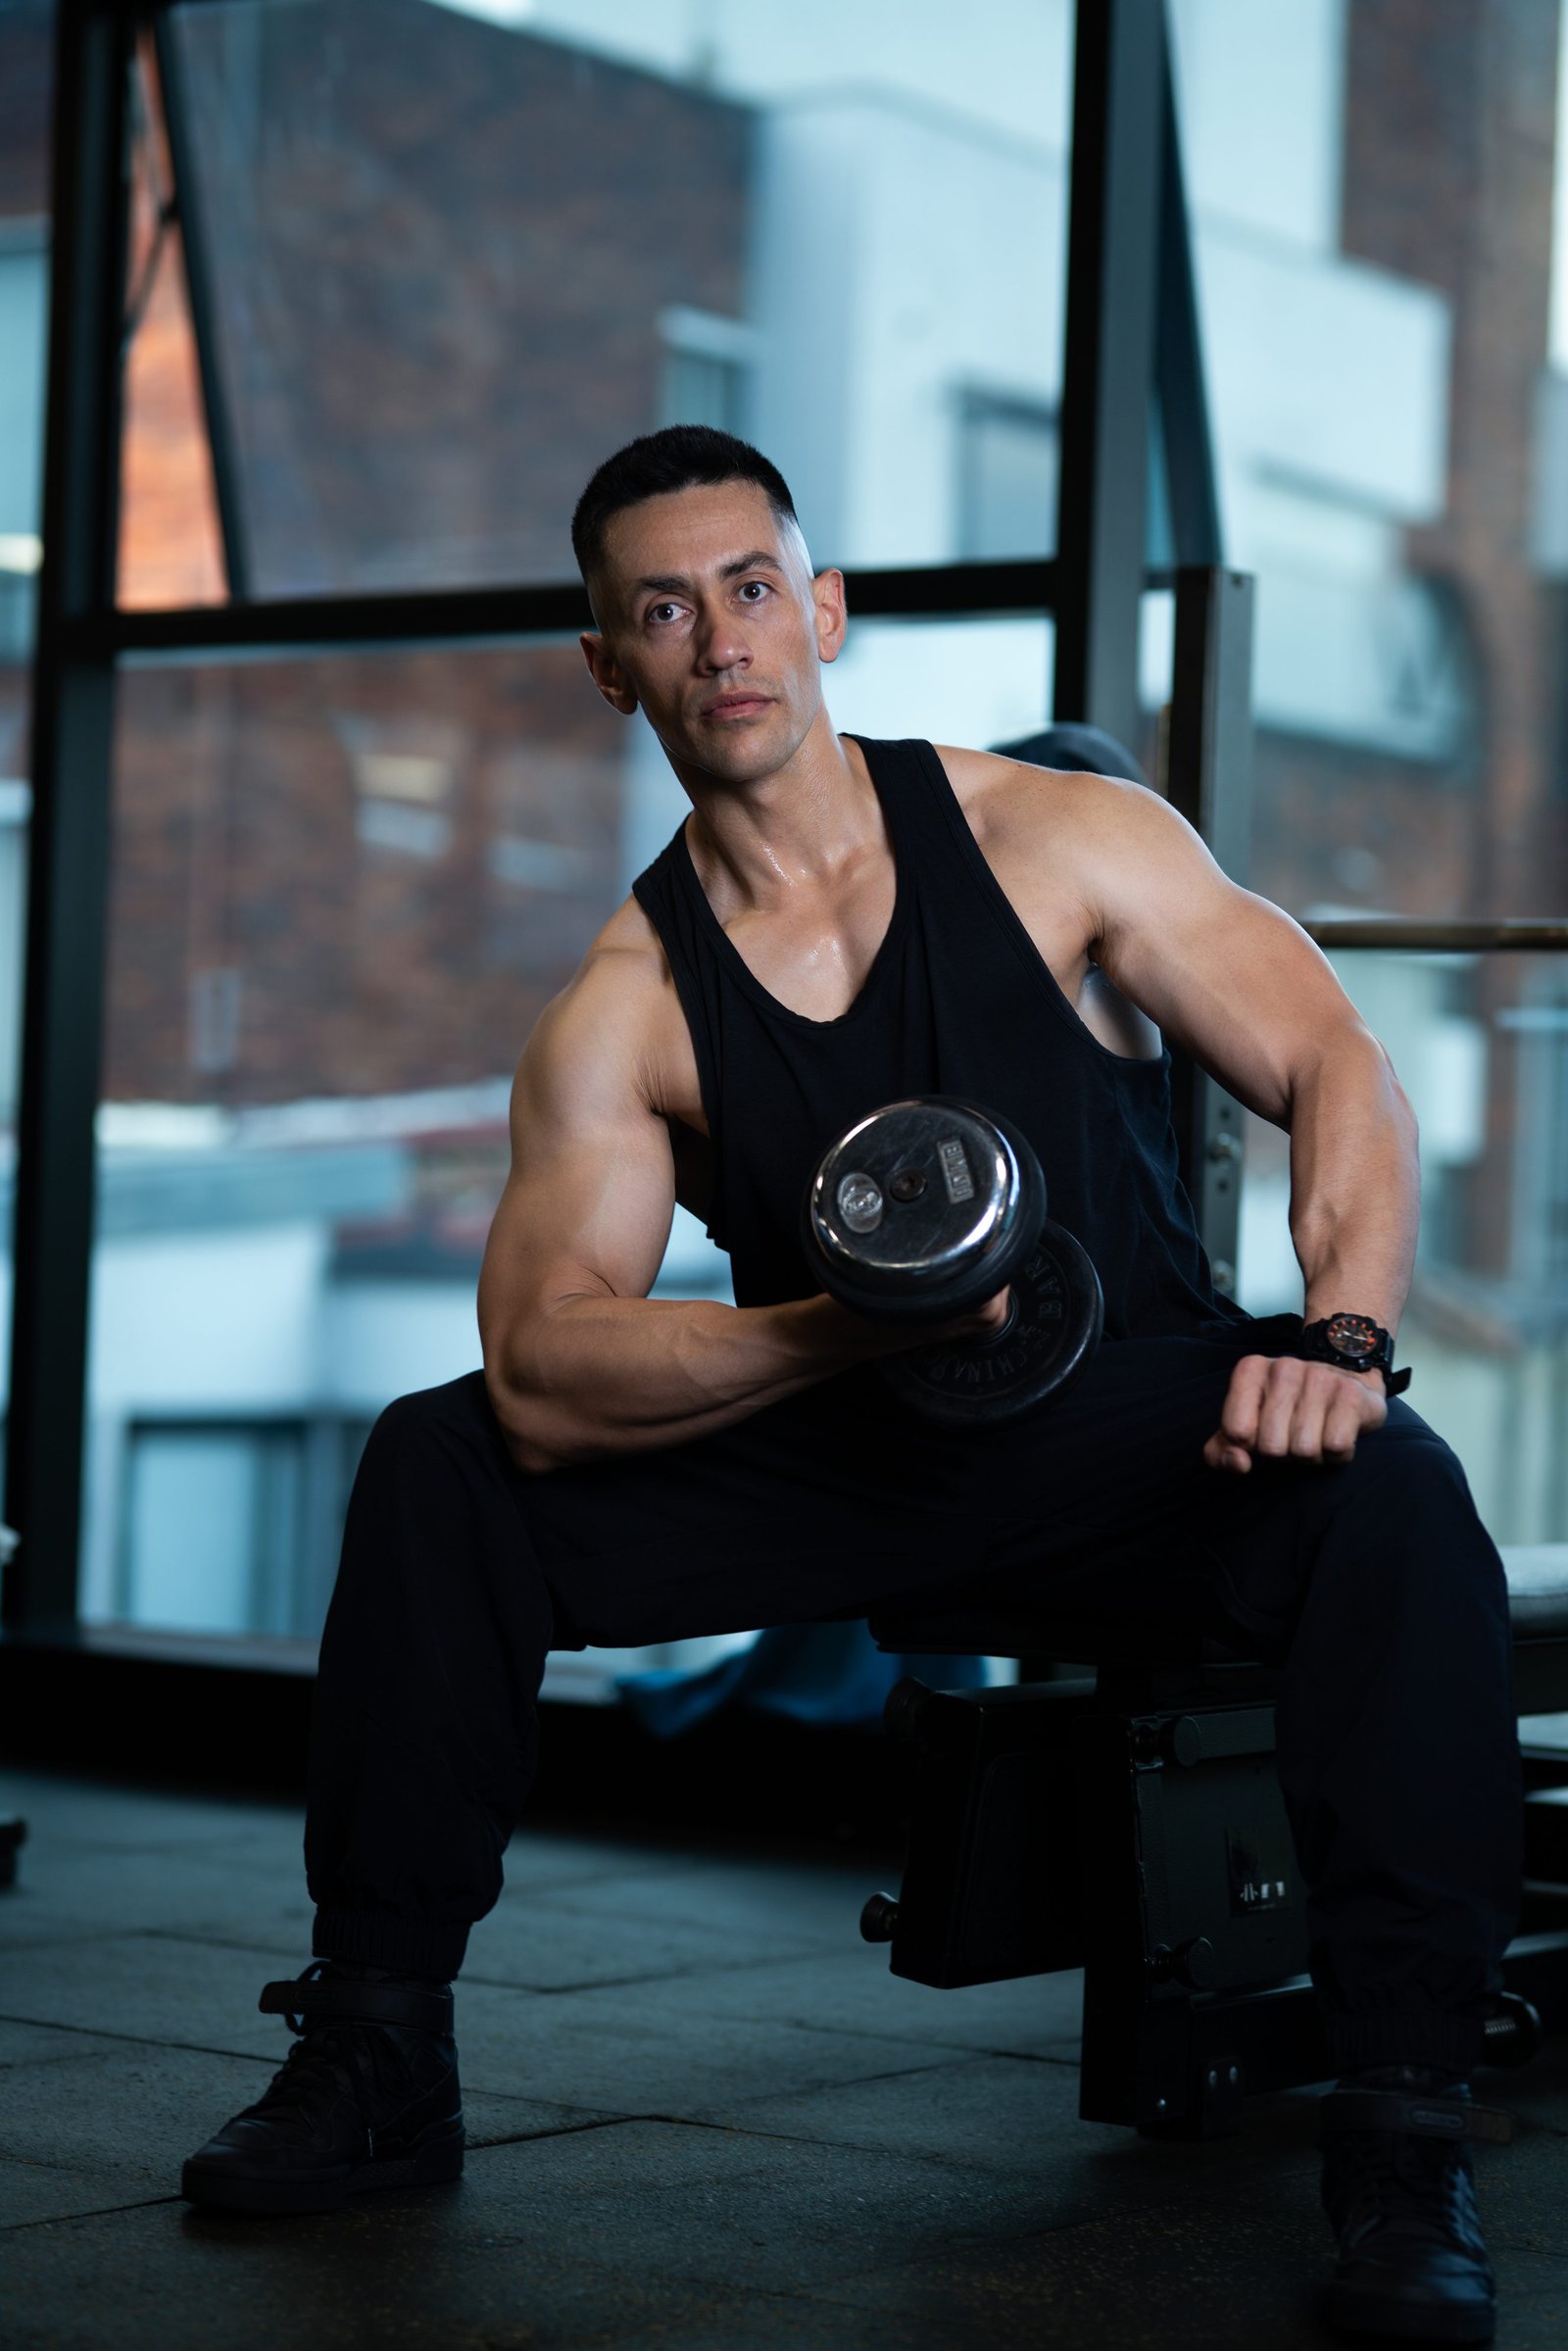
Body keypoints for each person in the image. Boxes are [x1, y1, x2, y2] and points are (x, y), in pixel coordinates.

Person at [182, 427, 1522, 2343]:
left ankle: (1402, 2128)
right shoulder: (629, 1002)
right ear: (609, 666)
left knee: (1391, 1485)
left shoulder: (1054, 841)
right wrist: (846, 1330)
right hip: (839, 1442)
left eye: (748, 589)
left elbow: (1333, 1061)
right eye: (663, 610)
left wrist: (1340, 1335)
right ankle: (378, 2048)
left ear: (820, 612)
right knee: (440, 1465)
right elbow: (545, 1365)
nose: (719, 639)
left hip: (1130, 1426)